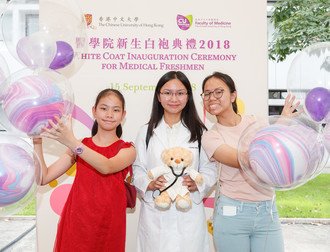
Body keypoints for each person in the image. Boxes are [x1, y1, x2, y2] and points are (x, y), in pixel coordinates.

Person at [201, 71, 300, 252]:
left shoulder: (256, 122)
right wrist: (277, 130)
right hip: (232, 213)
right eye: (206, 94)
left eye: (218, 92)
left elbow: (276, 150)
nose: (211, 98)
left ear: (233, 95)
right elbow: (242, 160)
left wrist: (283, 122)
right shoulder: (211, 137)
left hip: (267, 211)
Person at [33, 88, 136, 252]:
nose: (109, 114)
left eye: (116, 110)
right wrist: (37, 142)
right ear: (94, 111)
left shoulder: (128, 149)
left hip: (109, 227)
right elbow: (43, 178)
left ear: (123, 115)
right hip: (76, 224)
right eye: (104, 108)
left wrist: (72, 142)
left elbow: (106, 166)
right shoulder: (81, 145)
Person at [133, 71, 217, 252]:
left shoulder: (200, 132)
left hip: (188, 213)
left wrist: (198, 184)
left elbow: (210, 169)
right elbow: (138, 168)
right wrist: (149, 183)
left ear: (188, 96)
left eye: (180, 93)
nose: (174, 98)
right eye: (167, 93)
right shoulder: (146, 132)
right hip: (156, 213)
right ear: (159, 96)